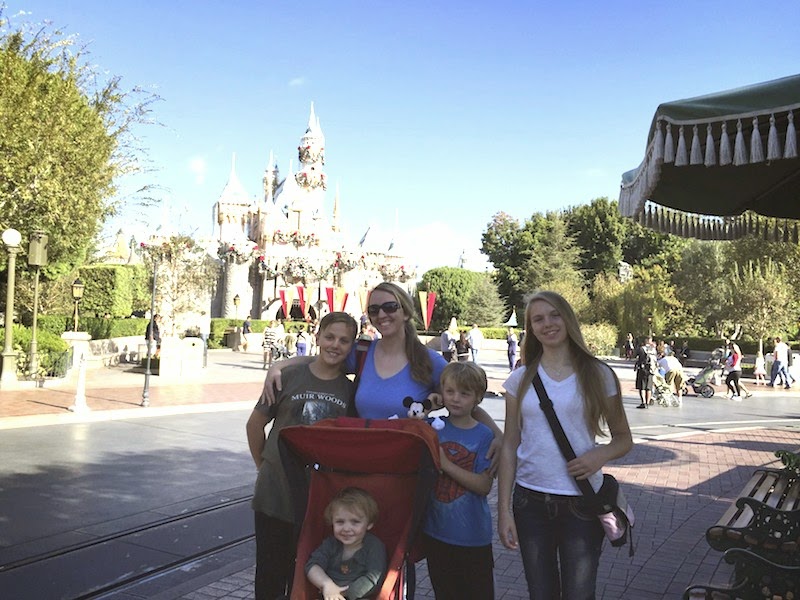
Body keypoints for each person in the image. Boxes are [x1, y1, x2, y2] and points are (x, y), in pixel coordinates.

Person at [497, 290, 633, 600]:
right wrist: (503, 511)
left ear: (568, 318)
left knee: (579, 593)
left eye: (554, 315)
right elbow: (509, 445)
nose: (547, 323)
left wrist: (600, 455)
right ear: (531, 328)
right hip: (530, 502)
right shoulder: (520, 379)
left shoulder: (598, 374)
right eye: (538, 319)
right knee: (540, 593)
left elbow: (623, 438)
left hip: (581, 503)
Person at [261, 282, 501, 444]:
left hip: (406, 467)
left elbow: (464, 401)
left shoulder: (429, 361)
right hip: (362, 458)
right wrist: (279, 366)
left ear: (405, 312)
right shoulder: (362, 352)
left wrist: (498, 437)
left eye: (390, 307)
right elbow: (324, 359)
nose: (382, 315)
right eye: (374, 310)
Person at [246, 312, 359, 600]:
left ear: (351, 346)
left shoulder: (349, 391)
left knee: (307, 577)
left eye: (344, 340)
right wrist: (264, 465)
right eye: (330, 337)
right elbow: (255, 425)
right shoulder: (286, 377)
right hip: (275, 495)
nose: (335, 345)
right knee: (270, 575)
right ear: (317, 337)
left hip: (319, 500)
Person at [423, 362, 495, 599]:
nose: (455, 398)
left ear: (477, 398)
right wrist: (427, 408)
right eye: (450, 391)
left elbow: (484, 486)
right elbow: (407, 429)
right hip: (436, 533)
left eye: (465, 393)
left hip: (472, 537)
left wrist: (446, 465)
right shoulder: (433, 428)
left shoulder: (485, 435)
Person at [305, 487, 387, 600]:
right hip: (329, 594)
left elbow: (374, 578)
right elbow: (312, 566)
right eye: (340, 522)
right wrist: (326, 584)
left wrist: (344, 594)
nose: (346, 528)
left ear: (369, 524)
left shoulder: (374, 546)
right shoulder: (331, 543)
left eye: (355, 522)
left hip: (359, 595)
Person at [634, 337, 657, 408]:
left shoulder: (642, 348)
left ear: (645, 340)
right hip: (651, 370)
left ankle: (643, 402)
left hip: (643, 370)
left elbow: (637, 357)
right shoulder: (653, 349)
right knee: (649, 387)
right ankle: (647, 403)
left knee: (642, 387)